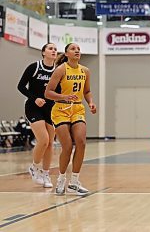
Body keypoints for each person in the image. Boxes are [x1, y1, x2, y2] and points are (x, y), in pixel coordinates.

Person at [45, 43, 96, 196]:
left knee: (81, 142)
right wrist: (64, 97)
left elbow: (87, 91)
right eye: (73, 49)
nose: (77, 51)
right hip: (60, 109)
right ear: (66, 53)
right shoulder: (60, 70)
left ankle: (74, 181)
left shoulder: (85, 71)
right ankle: (61, 179)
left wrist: (91, 102)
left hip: (77, 108)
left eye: (79, 49)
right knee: (67, 146)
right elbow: (48, 93)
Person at [17, 43, 58, 188]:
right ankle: (34, 167)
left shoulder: (58, 71)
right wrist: (34, 98)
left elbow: (58, 91)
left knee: (50, 144)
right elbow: (20, 86)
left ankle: (46, 174)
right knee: (44, 139)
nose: (53, 50)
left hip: (50, 109)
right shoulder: (34, 67)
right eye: (50, 48)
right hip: (34, 107)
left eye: (55, 49)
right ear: (43, 52)